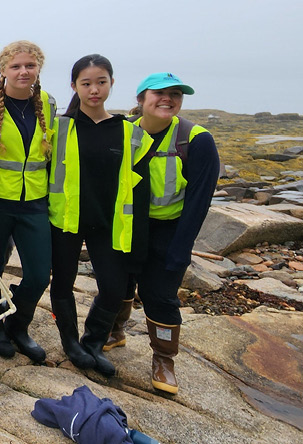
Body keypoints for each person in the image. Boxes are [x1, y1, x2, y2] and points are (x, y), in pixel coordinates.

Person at [47, 55, 152, 377]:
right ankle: (71, 344)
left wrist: (140, 239)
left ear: (111, 83)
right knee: (62, 284)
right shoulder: (58, 128)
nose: (94, 90)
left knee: (114, 288)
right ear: (74, 86)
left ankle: (93, 342)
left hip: (109, 224)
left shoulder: (130, 133)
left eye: (101, 82)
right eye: (86, 83)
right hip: (65, 220)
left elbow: (141, 189)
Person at [122, 73, 219, 394]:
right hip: (127, 225)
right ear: (140, 100)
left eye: (175, 94)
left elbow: (199, 200)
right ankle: (113, 330)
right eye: (159, 93)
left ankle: (164, 358)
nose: (168, 99)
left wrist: (182, 248)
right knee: (117, 283)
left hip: (170, 228)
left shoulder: (197, 140)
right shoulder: (124, 133)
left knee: (160, 296)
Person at [0, 40, 57, 364]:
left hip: (35, 201)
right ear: (3, 70)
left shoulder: (49, 103)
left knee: (39, 274)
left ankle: (18, 324)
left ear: (38, 68)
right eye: (16, 66)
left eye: (29, 65)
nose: (23, 71)